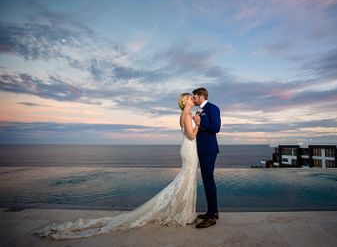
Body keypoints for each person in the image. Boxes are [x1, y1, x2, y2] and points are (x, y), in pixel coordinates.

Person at [34, 93, 199, 240]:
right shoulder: (186, 114)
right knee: (186, 179)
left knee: (187, 179)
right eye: (191, 97)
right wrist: (197, 123)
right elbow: (191, 135)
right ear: (185, 101)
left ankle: (185, 212)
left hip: (188, 149)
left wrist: (195, 120)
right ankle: (183, 214)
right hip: (189, 149)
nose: (193, 98)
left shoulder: (186, 114)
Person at [192, 87, 221, 229]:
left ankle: (211, 217)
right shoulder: (199, 110)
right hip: (202, 150)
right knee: (207, 181)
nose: (193, 99)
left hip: (209, 150)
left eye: (195, 97)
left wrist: (199, 123)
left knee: (208, 181)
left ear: (201, 96)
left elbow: (216, 127)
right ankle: (213, 211)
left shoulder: (213, 108)